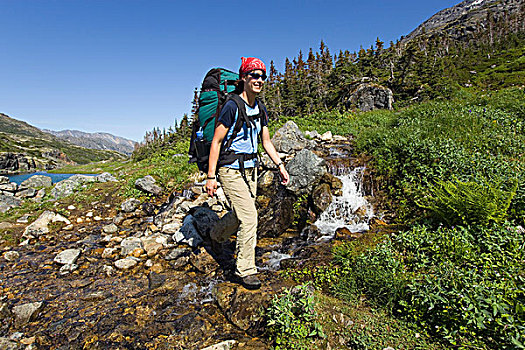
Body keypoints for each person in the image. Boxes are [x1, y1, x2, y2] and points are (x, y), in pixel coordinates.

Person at [205, 57, 290, 289]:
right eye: (254, 75)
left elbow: (266, 141)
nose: (259, 80)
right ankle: (245, 269)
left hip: (251, 170)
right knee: (250, 217)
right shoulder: (232, 106)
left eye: (262, 76)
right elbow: (216, 141)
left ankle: (216, 235)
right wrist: (211, 177)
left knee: (241, 214)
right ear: (243, 78)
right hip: (230, 169)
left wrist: (280, 165)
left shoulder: (260, 108)